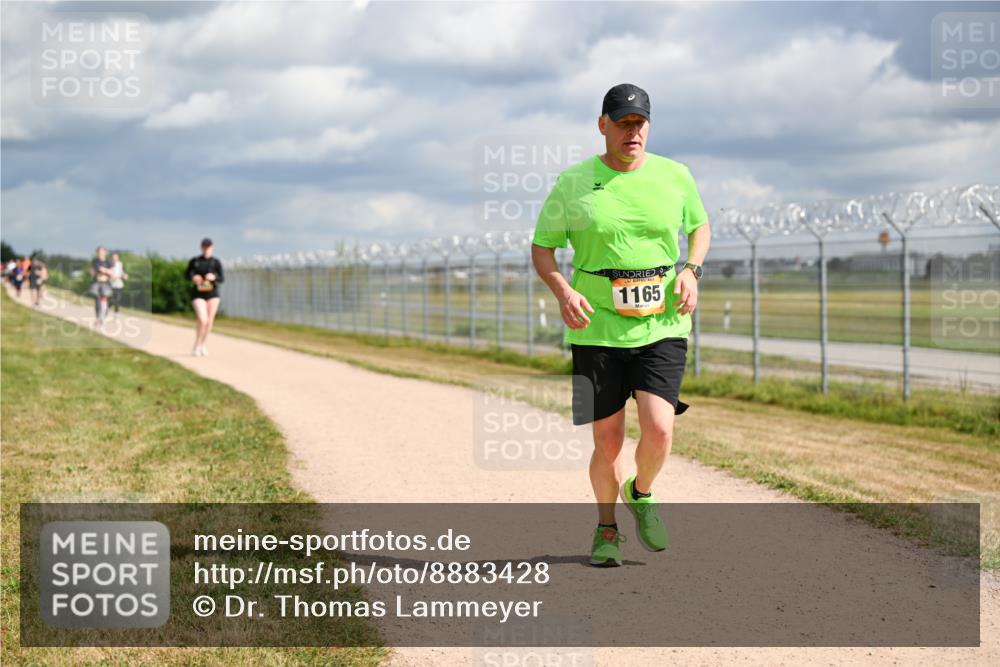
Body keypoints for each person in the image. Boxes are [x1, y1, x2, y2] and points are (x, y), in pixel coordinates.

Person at [531, 83, 712, 567]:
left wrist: (690, 270)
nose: (633, 132)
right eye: (624, 123)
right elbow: (542, 247)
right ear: (603, 125)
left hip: (663, 323)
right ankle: (606, 529)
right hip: (595, 329)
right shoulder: (574, 182)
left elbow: (699, 227)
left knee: (659, 429)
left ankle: (642, 491)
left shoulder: (675, 176)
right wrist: (564, 292)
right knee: (607, 439)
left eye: (640, 124)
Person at [186, 238, 224, 356]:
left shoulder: (215, 262)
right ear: (201, 247)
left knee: (209, 321)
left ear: (211, 247)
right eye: (204, 246)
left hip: (212, 293)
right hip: (198, 293)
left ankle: (202, 344)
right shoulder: (195, 261)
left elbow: (222, 278)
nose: (206, 249)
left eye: (208, 247)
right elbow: (187, 274)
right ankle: (196, 344)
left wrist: (214, 277)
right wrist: (194, 277)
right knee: (203, 319)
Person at [91, 247, 114, 326]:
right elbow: (95, 270)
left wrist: (104, 270)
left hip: (106, 284)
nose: (100, 253)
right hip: (97, 283)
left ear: (104, 252)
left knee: (104, 301)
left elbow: (111, 272)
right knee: (97, 301)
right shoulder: (95, 261)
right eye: (99, 251)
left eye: (101, 251)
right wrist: (106, 270)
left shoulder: (108, 262)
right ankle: (98, 318)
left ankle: (103, 318)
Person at [109, 253, 129, 320]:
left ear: (118, 258)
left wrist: (124, 275)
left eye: (116, 257)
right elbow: (109, 275)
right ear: (112, 258)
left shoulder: (121, 265)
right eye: (113, 257)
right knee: (112, 300)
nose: (114, 258)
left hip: (120, 285)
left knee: (118, 299)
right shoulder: (110, 264)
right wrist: (113, 277)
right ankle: (106, 308)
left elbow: (125, 274)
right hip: (112, 285)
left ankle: (116, 314)